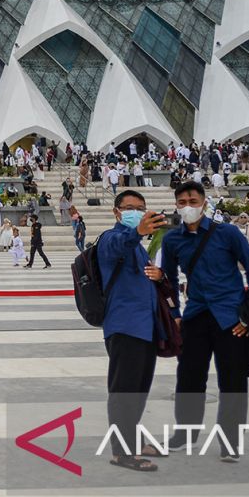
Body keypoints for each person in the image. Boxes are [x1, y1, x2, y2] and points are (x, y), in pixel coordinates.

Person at [161, 180, 249, 462]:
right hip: (195, 316)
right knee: (189, 377)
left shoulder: (228, 233)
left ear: (204, 203)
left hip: (231, 317)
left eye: (193, 201)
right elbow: (167, 281)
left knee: (232, 380)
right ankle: (185, 433)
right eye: (181, 202)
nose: (187, 207)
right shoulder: (172, 240)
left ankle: (231, 441)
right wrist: (175, 315)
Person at [98, 189, 169, 472]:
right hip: (124, 326)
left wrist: (160, 277)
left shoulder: (139, 247)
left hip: (145, 327)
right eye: (130, 207)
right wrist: (137, 231)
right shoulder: (110, 239)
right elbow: (119, 246)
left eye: (141, 207)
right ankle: (122, 452)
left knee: (139, 390)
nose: (137, 211)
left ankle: (134, 439)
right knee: (123, 391)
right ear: (117, 212)